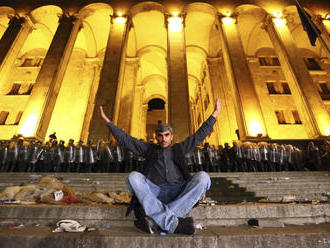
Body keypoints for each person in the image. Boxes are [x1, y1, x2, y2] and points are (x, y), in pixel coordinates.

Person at [99, 99, 221, 235]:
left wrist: (214, 115)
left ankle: (156, 221)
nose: (163, 139)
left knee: (203, 177)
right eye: (160, 136)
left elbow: (198, 136)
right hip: (155, 190)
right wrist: (107, 122)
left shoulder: (179, 149)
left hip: (177, 189)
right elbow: (126, 140)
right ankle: (171, 223)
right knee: (133, 177)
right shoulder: (149, 149)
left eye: (167, 135)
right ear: (156, 137)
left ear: (172, 136)